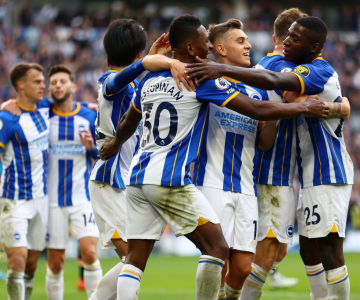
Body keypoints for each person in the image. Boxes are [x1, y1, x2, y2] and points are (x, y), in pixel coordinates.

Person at [99, 14, 328, 300]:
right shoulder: (200, 79)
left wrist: (116, 143)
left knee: (134, 259)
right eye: (204, 42)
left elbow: (128, 121)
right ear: (193, 49)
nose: (207, 46)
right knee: (217, 250)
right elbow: (256, 110)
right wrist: (303, 108)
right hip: (173, 179)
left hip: (139, 177)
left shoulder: (149, 81)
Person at [186, 16, 353, 300]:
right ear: (280, 38)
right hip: (271, 173)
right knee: (278, 250)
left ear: (311, 46)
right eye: (288, 36)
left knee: (285, 249)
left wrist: (335, 107)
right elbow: (291, 98)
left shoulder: (307, 69)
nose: (250, 45)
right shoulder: (273, 65)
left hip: (304, 173)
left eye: (295, 39)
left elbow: (292, 96)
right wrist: (339, 107)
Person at [88, 19, 194, 300]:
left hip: (125, 180)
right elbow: (121, 80)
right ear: (137, 54)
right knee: (132, 259)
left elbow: (140, 76)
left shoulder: (136, 85)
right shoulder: (108, 84)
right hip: (107, 181)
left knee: (133, 261)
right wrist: (149, 60)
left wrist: (149, 59)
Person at [192, 18, 273, 300]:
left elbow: (265, 143)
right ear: (220, 49)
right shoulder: (207, 82)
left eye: (247, 40)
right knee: (218, 257)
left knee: (241, 268)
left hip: (246, 188)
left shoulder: (259, 90)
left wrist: (272, 108)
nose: (249, 45)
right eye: (240, 41)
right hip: (212, 182)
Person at [44, 64, 102, 299]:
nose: (58, 85)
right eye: (53, 82)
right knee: (56, 263)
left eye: (62, 81)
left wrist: (91, 148)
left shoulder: (88, 115)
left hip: (82, 198)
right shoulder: (43, 115)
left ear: (73, 86)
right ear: (49, 88)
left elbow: (102, 154)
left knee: (89, 253)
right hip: (52, 202)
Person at [0, 62, 50, 300]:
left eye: (43, 80)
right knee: (17, 259)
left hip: (41, 199)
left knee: (31, 264)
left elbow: (79, 107)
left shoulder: (47, 108)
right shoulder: (8, 118)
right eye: (37, 81)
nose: (44, 85)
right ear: (21, 85)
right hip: (13, 200)